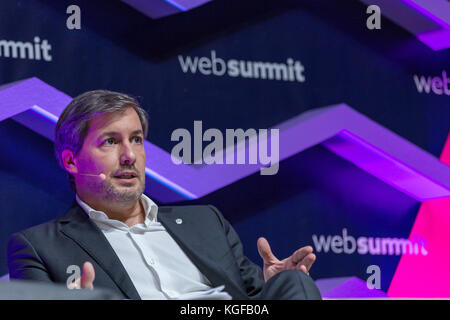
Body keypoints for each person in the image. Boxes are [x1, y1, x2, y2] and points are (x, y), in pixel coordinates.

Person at [7, 90, 321, 300]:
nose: (129, 155)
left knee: (294, 282)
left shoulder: (206, 221)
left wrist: (272, 283)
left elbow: (253, 298)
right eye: (110, 142)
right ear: (71, 160)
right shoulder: (39, 247)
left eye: (136, 139)